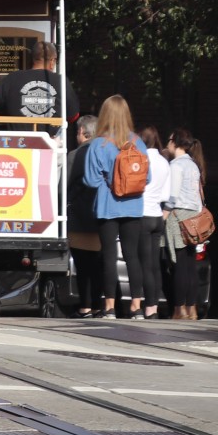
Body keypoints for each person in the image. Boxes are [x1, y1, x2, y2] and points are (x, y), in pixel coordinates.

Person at [81, 95, 151, 318]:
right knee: (132, 256)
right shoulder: (138, 143)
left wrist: (107, 181)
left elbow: (91, 180)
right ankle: (136, 306)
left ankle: (109, 306)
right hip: (133, 206)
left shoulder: (99, 144)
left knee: (109, 255)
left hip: (107, 206)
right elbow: (146, 178)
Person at [0, 42, 81, 133]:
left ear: (33, 58)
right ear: (52, 61)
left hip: (19, 144)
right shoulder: (61, 81)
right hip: (49, 144)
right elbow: (73, 116)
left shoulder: (12, 78)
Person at [163, 128, 208, 321]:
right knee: (190, 264)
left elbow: (172, 196)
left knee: (179, 264)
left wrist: (164, 213)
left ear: (176, 143)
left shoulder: (176, 166)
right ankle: (192, 309)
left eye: (169, 140)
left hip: (179, 216)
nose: (167, 144)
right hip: (195, 217)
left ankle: (178, 309)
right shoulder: (194, 165)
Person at [134, 126, 171, 321]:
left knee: (144, 264)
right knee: (155, 264)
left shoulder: (141, 159)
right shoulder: (164, 162)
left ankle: (147, 307)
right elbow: (166, 194)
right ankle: (154, 305)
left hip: (142, 213)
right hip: (158, 215)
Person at [66, 115, 101, 317]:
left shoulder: (75, 155)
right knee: (98, 264)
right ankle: (98, 304)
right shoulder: (106, 152)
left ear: (81, 132)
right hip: (101, 216)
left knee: (82, 265)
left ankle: (85, 305)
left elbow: (65, 185)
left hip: (79, 217)